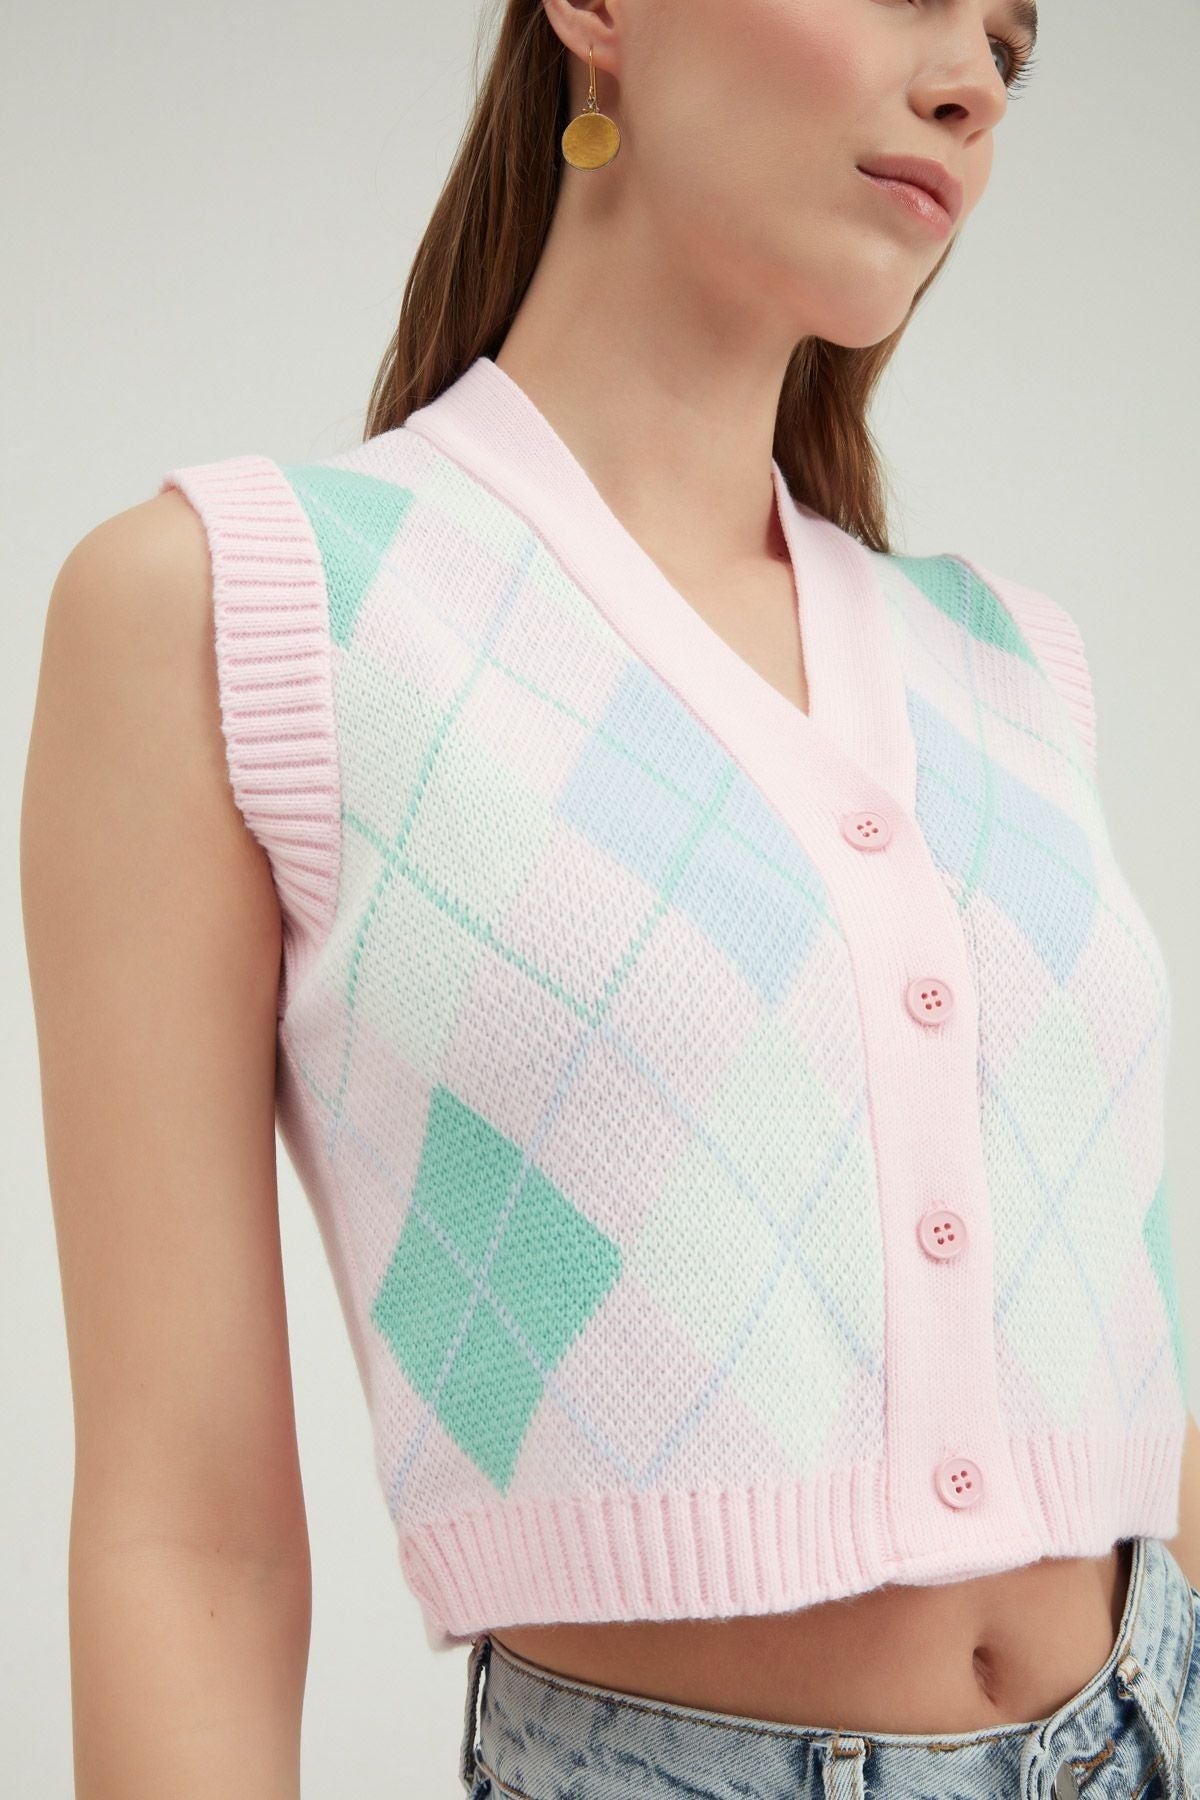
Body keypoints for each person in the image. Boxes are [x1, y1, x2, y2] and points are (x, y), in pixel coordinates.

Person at [20, 1, 1200, 1796]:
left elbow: (1134, 1360)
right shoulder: (251, 610)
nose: (971, 81)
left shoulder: (1009, 666)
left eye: (1009, 46)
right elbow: (190, 1536)